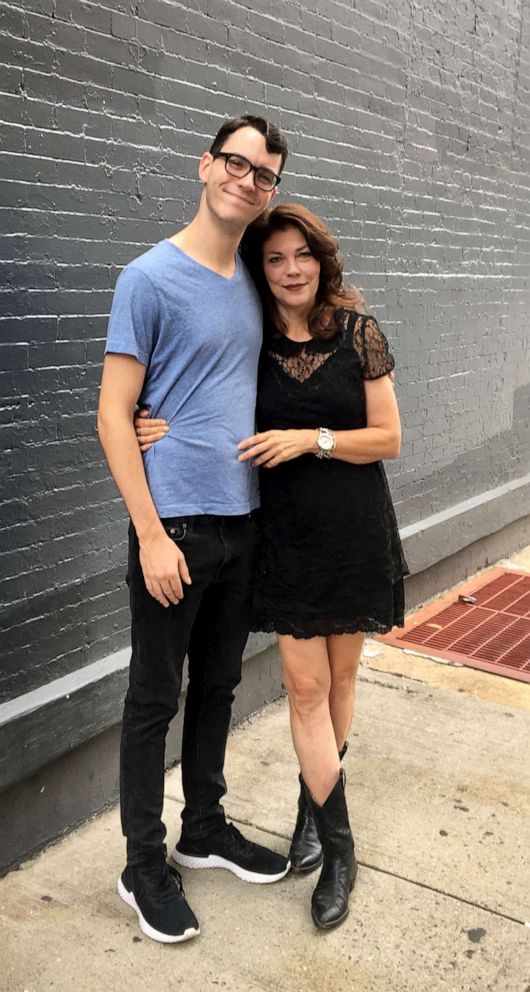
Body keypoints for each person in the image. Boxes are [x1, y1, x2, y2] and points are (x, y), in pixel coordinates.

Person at [136, 202, 408, 932]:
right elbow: (200, 384)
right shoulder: (253, 336)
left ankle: (313, 813)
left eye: (302, 256)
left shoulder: (358, 331)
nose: (291, 270)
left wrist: (309, 439)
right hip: (282, 539)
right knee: (304, 687)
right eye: (276, 259)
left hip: (353, 533)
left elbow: (388, 438)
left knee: (342, 680)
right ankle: (342, 851)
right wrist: (149, 420)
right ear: (263, 269)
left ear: (322, 259)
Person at [97, 115, 291, 945]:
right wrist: (148, 533)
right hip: (173, 525)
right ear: (206, 164)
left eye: (265, 175)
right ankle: (144, 865)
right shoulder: (147, 277)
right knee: (152, 701)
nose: (247, 181)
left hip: (241, 520)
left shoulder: (253, 273)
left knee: (217, 690)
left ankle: (203, 827)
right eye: (237, 164)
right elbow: (113, 414)